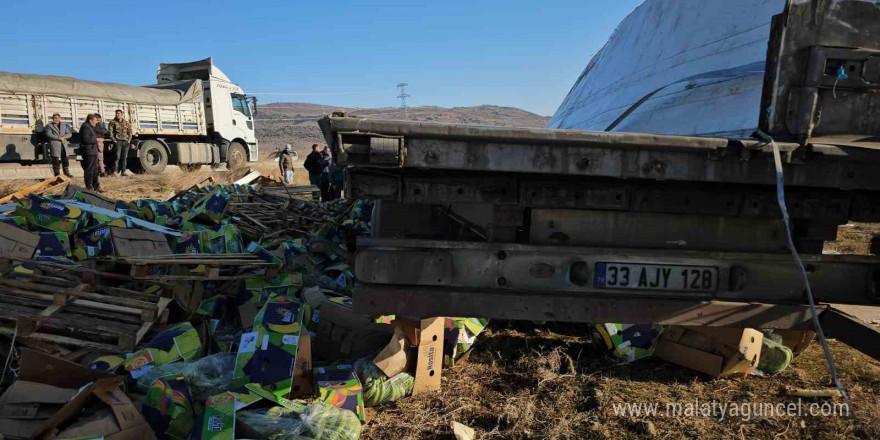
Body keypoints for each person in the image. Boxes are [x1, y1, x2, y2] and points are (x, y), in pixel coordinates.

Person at [79, 114, 102, 192]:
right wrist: (97, 140)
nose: (96, 123)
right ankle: (89, 187)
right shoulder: (86, 127)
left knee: (95, 169)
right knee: (89, 169)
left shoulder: (90, 127)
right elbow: (86, 140)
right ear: (90, 120)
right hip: (89, 151)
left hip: (93, 151)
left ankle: (96, 186)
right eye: (95, 121)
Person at [107, 109, 133, 176]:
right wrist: (114, 140)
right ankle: (115, 171)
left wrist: (129, 140)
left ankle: (123, 171)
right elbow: (110, 132)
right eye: (116, 113)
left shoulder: (126, 122)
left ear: (122, 114)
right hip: (118, 142)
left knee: (124, 157)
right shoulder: (113, 122)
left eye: (118, 113)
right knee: (117, 157)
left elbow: (130, 131)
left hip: (125, 142)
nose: (117, 114)